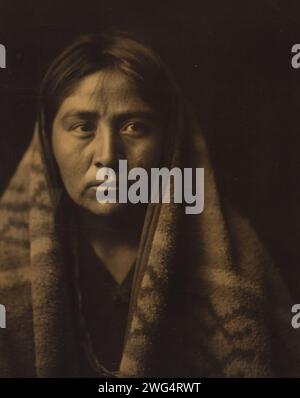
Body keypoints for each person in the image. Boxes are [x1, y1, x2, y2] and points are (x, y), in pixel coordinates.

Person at [0, 30, 300, 378]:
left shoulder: (238, 263)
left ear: (170, 142)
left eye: (133, 127)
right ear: (47, 141)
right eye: (82, 127)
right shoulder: (6, 262)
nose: (108, 156)